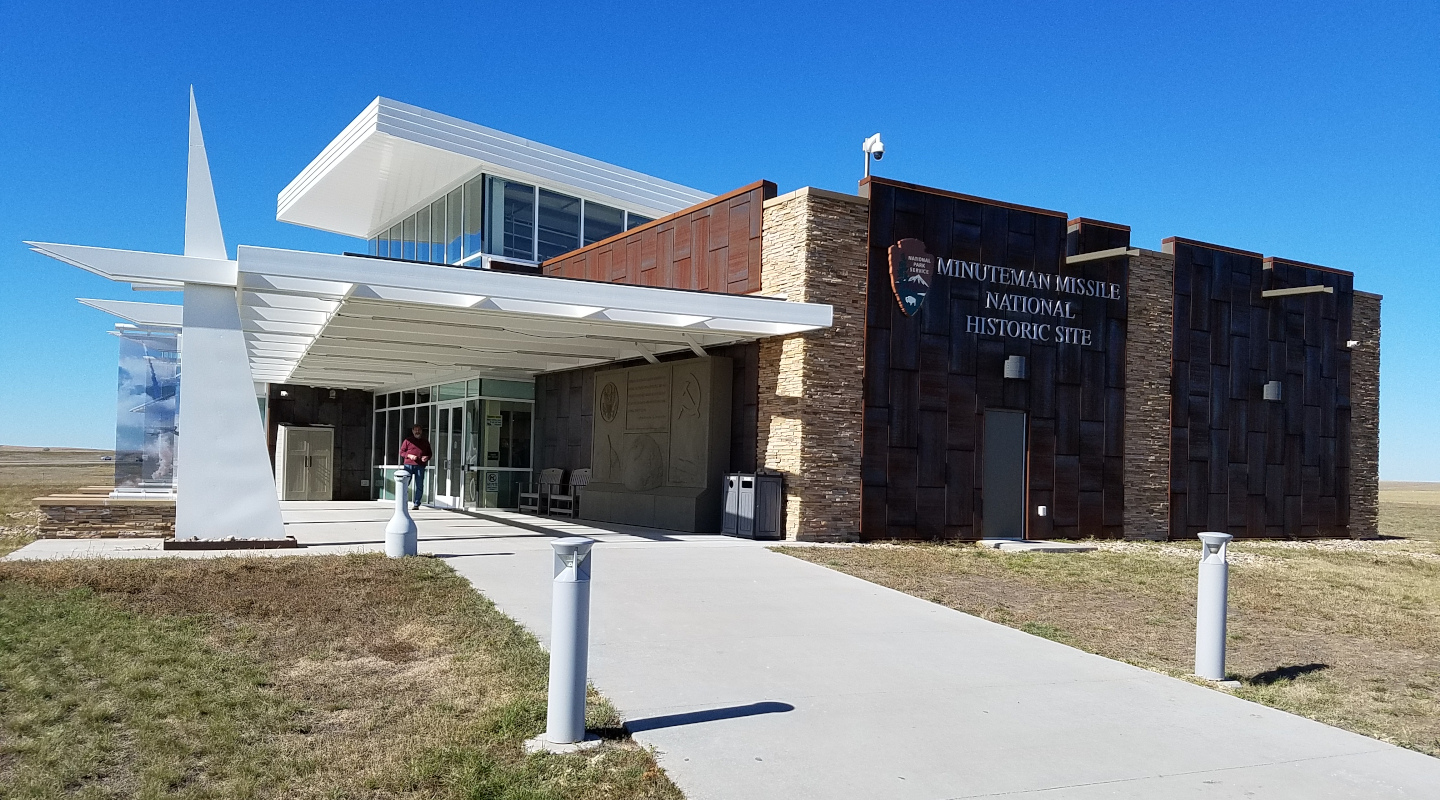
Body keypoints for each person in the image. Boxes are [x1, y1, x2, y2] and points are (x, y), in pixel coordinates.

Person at [400, 425, 432, 510]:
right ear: (413, 431)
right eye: (415, 430)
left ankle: (416, 504)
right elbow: (401, 452)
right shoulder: (408, 440)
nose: (417, 432)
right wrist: (409, 456)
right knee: (405, 484)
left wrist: (427, 457)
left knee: (419, 485)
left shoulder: (425, 441)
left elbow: (430, 453)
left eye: (419, 430)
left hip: (420, 466)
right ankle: (402, 501)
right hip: (408, 465)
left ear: (421, 431)